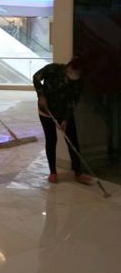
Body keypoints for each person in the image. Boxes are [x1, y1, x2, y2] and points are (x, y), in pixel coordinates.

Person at [33, 57, 92, 185]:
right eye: (71, 71)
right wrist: (41, 95)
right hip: (46, 112)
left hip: (64, 113)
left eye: (77, 73)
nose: (73, 74)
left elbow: (73, 102)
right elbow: (36, 77)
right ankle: (53, 172)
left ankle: (78, 172)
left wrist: (65, 119)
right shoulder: (53, 69)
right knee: (51, 139)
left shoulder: (78, 83)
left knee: (73, 141)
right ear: (68, 66)